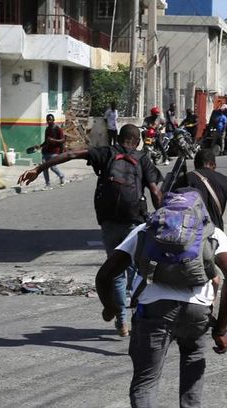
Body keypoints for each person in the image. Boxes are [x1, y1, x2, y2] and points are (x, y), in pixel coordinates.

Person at [95, 189, 227, 408]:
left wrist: (112, 308)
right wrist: (222, 329)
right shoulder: (212, 233)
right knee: (193, 358)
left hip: (153, 309)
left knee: (145, 382)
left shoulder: (144, 230)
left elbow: (106, 273)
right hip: (196, 309)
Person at [18, 125, 163, 335]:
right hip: (134, 221)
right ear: (138, 141)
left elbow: (70, 154)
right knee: (136, 271)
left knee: (116, 271)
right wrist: (163, 220)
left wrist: (39, 169)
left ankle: (122, 322)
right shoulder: (142, 159)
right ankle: (138, 317)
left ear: (119, 138)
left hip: (109, 222)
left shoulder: (105, 153)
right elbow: (156, 192)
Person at [41, 114, 66, 186]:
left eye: (50, 120)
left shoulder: (58, 129)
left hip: (55, 151)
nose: (49, 121)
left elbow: (63, 140)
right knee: (44, 167)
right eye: (47, 120)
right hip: (46, 151)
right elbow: (46, 141)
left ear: (53, 120)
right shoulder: (47, 129)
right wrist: (39, 146)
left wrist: (53, 140)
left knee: (53, 167)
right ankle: (47, 183)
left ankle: (61, 176)